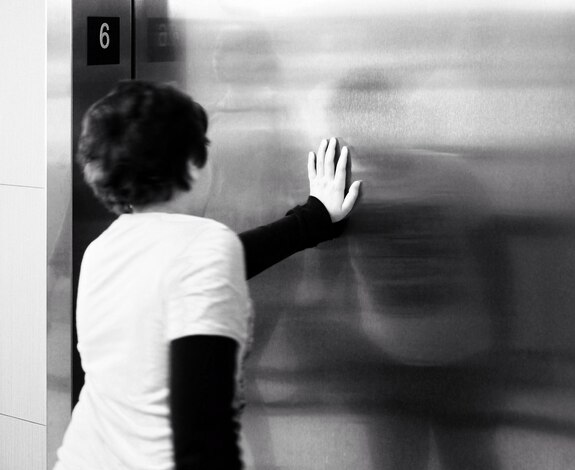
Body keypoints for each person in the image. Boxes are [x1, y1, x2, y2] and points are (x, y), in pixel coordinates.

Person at [53, 80, 361, 470]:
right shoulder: (204, 249)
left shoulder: (103, 250)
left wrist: (314, 219)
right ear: (191, 164)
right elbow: (202, 435)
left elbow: (211, 265)